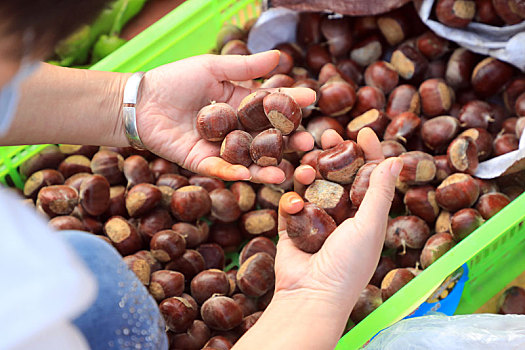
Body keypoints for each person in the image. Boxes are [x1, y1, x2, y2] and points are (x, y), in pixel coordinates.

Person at [0, 1, 402, 349]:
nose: (26, 65)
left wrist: (131, 103)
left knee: (90, 263)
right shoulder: (27, 304)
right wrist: (316, 295)